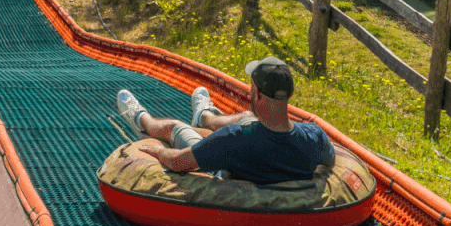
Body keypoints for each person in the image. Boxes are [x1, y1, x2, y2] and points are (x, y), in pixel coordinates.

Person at [113, 56, 332, 182]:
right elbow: (330, 163)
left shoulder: (234, 140)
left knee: (174, 127)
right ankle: (205, 117)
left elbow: (178, 162)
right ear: (290, 95)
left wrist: (160, 152)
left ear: (255, 94)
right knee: (247, 117)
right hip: (261, 137)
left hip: (224, 171)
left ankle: (141, 120)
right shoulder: (315, 137)